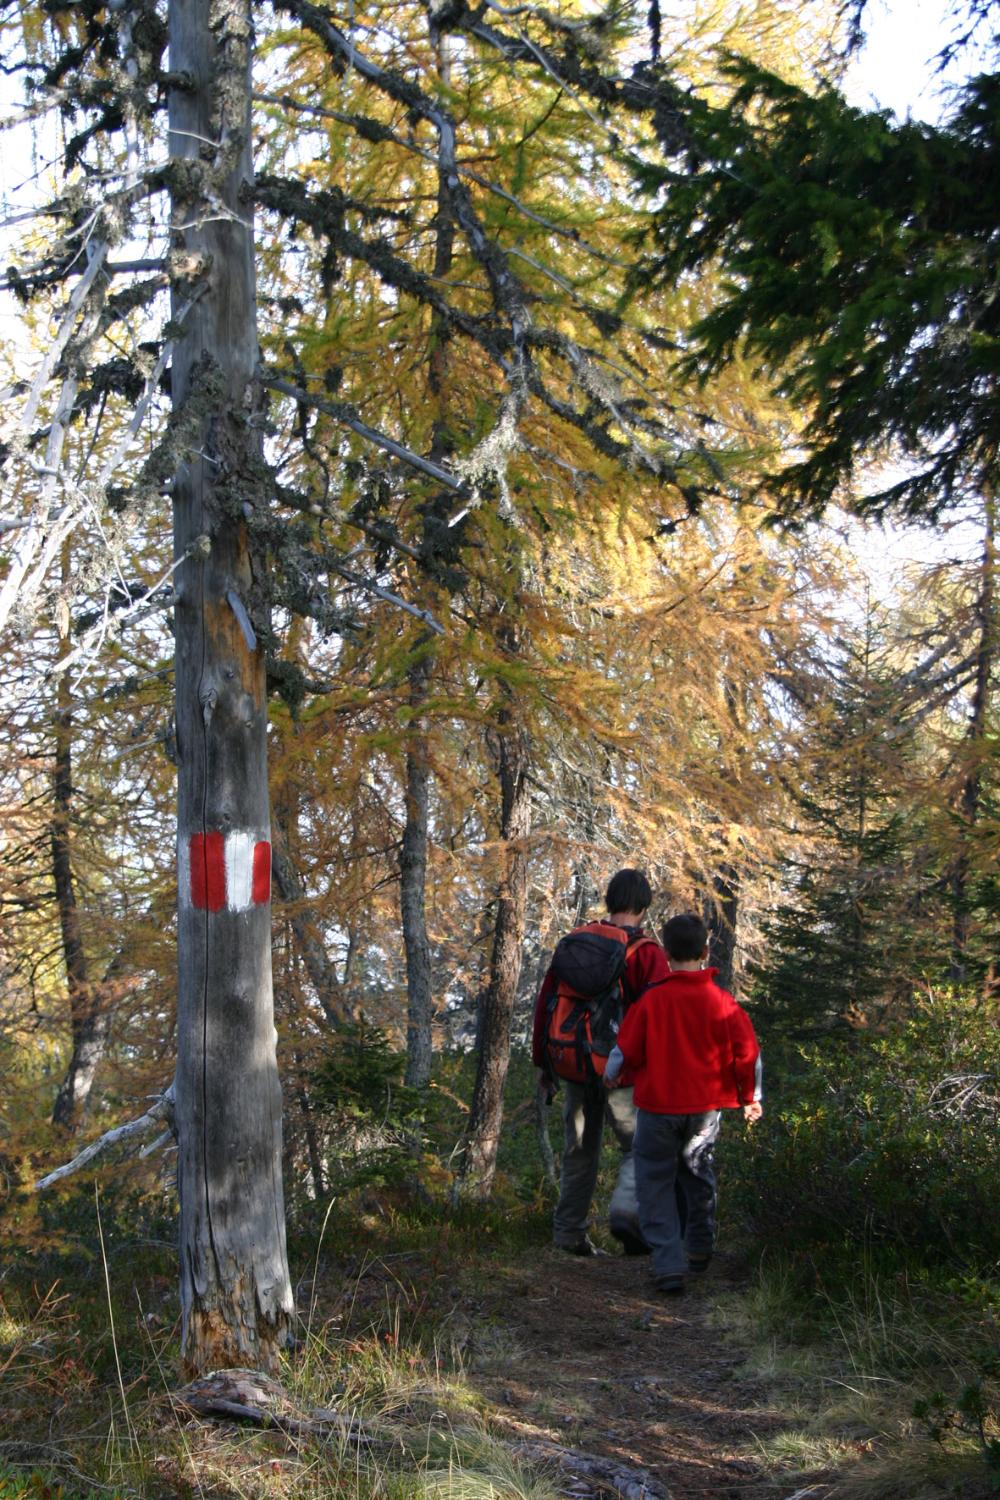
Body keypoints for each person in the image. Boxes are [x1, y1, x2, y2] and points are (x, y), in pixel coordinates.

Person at [603, 911, 762, 1294]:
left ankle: (669, 1264)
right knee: (697, 1174)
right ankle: (699, 1248)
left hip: (658, 1108)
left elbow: (624, 1051)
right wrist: (750, 1099)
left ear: (667, 954)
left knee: (654, 1182)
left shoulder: (652, 1001)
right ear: (706, 951)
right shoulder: (722, 1002)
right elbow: (748, 1054)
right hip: (705, 1109)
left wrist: (612, 1077)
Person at [532, 869, 671, 1256]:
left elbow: (546, 1004)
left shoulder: (576, 941)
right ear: (643, 906)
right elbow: (657, 1019)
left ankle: (568, 1234)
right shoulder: (646, 954)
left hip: (573, 1064)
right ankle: (627, 1214)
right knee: (639, 1148)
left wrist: (544, 1064)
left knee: (578, 1150)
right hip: (621, 1072)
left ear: (609, 900)